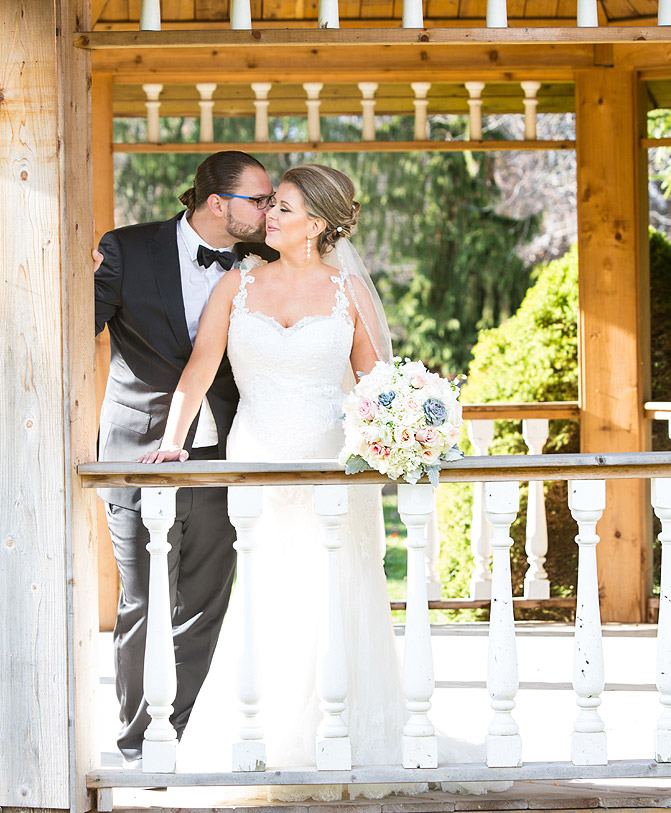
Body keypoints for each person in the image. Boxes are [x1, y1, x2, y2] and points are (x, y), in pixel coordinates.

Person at [140, 165, 507, 800]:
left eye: (282, 209)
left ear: (315, 225)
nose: (267, 218)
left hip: (334, 467)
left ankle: (346, 739)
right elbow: (200, 369)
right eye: (269, 207)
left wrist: (403, 429)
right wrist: (174, 440)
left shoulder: (346, 293)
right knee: (267, 595)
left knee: (335, 594)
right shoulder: (236, 285)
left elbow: (376, 386)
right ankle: (264, 740)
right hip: (255, 463)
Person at [94, 151, 279, 766]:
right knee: (143, 598)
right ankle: (134, 744)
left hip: (229, 452)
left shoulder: (268, 263)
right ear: (216, 203)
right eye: (258, 198)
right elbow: (69, 326)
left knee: (204, 600)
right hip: (140, 448)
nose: (269, 208)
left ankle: (174, 735)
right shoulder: (123, 250)